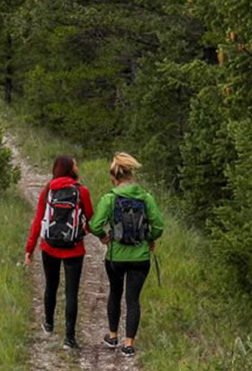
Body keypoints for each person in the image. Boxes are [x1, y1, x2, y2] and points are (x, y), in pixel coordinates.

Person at [89, 153, 165, 357]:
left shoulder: (110, 199)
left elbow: (94, 225)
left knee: (115, 293)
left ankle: (112, 336)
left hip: (116, 257)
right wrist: (148, 237)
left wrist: (104, 237)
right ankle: (129, 344)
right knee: (133, 299)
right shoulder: (146, 198)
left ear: (114, 177)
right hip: (140, 257)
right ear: (131, 175)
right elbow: (159, 227)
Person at [24, 155, 94, 350]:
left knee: (51, 285)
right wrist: (92, 232)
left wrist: (29, 248)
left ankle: (48, 324)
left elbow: (38, 221)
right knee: (71, 292)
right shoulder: (81, 191)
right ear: (71, 169)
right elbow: (90, 217)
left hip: (50, 247)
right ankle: (69, 339)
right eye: (75, 165)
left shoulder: (48, 190)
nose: (77, 167)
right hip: (74, 249)